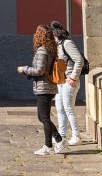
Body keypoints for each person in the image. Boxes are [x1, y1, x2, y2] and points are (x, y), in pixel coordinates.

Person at [17, 24, 66, 156]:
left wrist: (24, 69)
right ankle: (56, 141)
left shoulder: (42, 51)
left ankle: (50, 145)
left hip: (44, 87)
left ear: (39, 36)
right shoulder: (51, 49)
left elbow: (39, 70)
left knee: (44, 117)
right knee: (43, 117)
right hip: (48, 87)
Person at [50, 20, 84, 146]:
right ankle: (62, 135)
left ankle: (76, 136)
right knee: (60, 108)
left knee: (69, 108)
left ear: (55, 33)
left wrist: (73, 77)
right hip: (60, 82)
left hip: (69, 82)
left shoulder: (67, 43)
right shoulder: (57, 45)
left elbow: (79, 60)